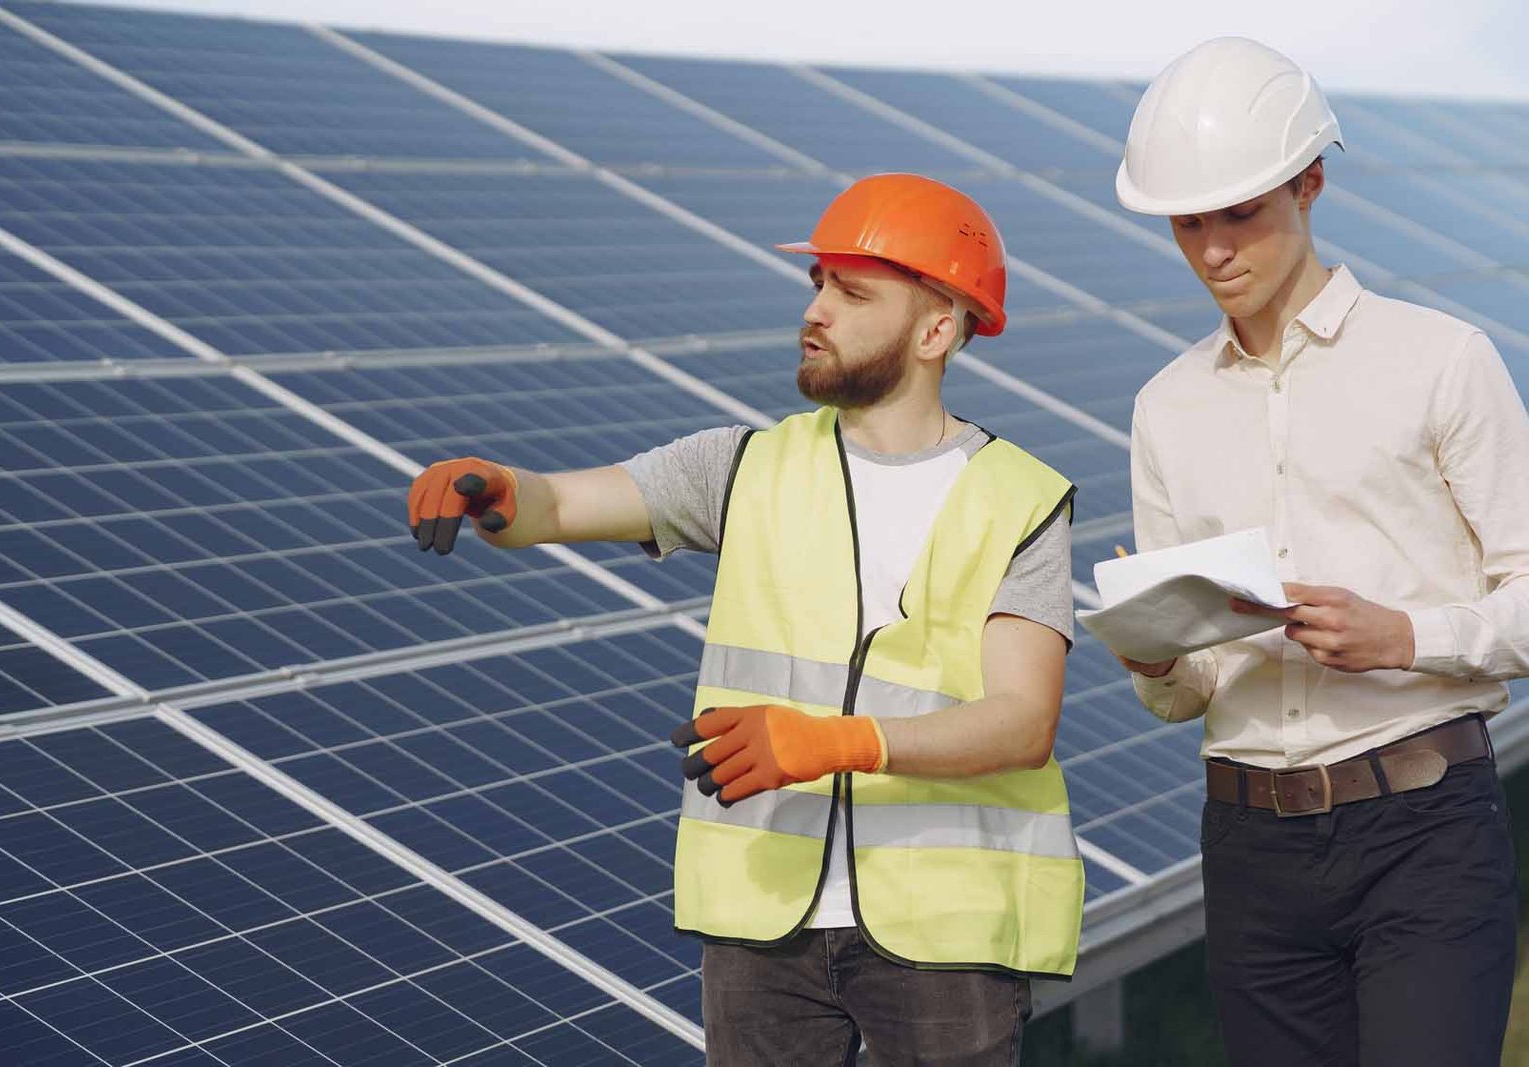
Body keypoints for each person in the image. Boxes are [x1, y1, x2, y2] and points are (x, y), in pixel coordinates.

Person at [408, 173, 1084, 1065]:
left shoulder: (1022, 499)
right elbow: (559, 506)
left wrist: (837, 742)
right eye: (817, 285)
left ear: (937, 328)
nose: (818, 311)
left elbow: (1023, 719)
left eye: (853, 292)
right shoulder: (744, 466)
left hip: (946, 927)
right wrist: (497, 490)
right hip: (764, 919)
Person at [1114, 36, 1529, 1067]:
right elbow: (1189, 690)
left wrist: (1406, 634)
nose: (1212, 248)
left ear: (1310, 182)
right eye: (1187, 221)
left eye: (1239, 212)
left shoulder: (1441, 361)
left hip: (1423, 828)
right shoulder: (1164, 408)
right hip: (1248, 848)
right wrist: (1157, 657)